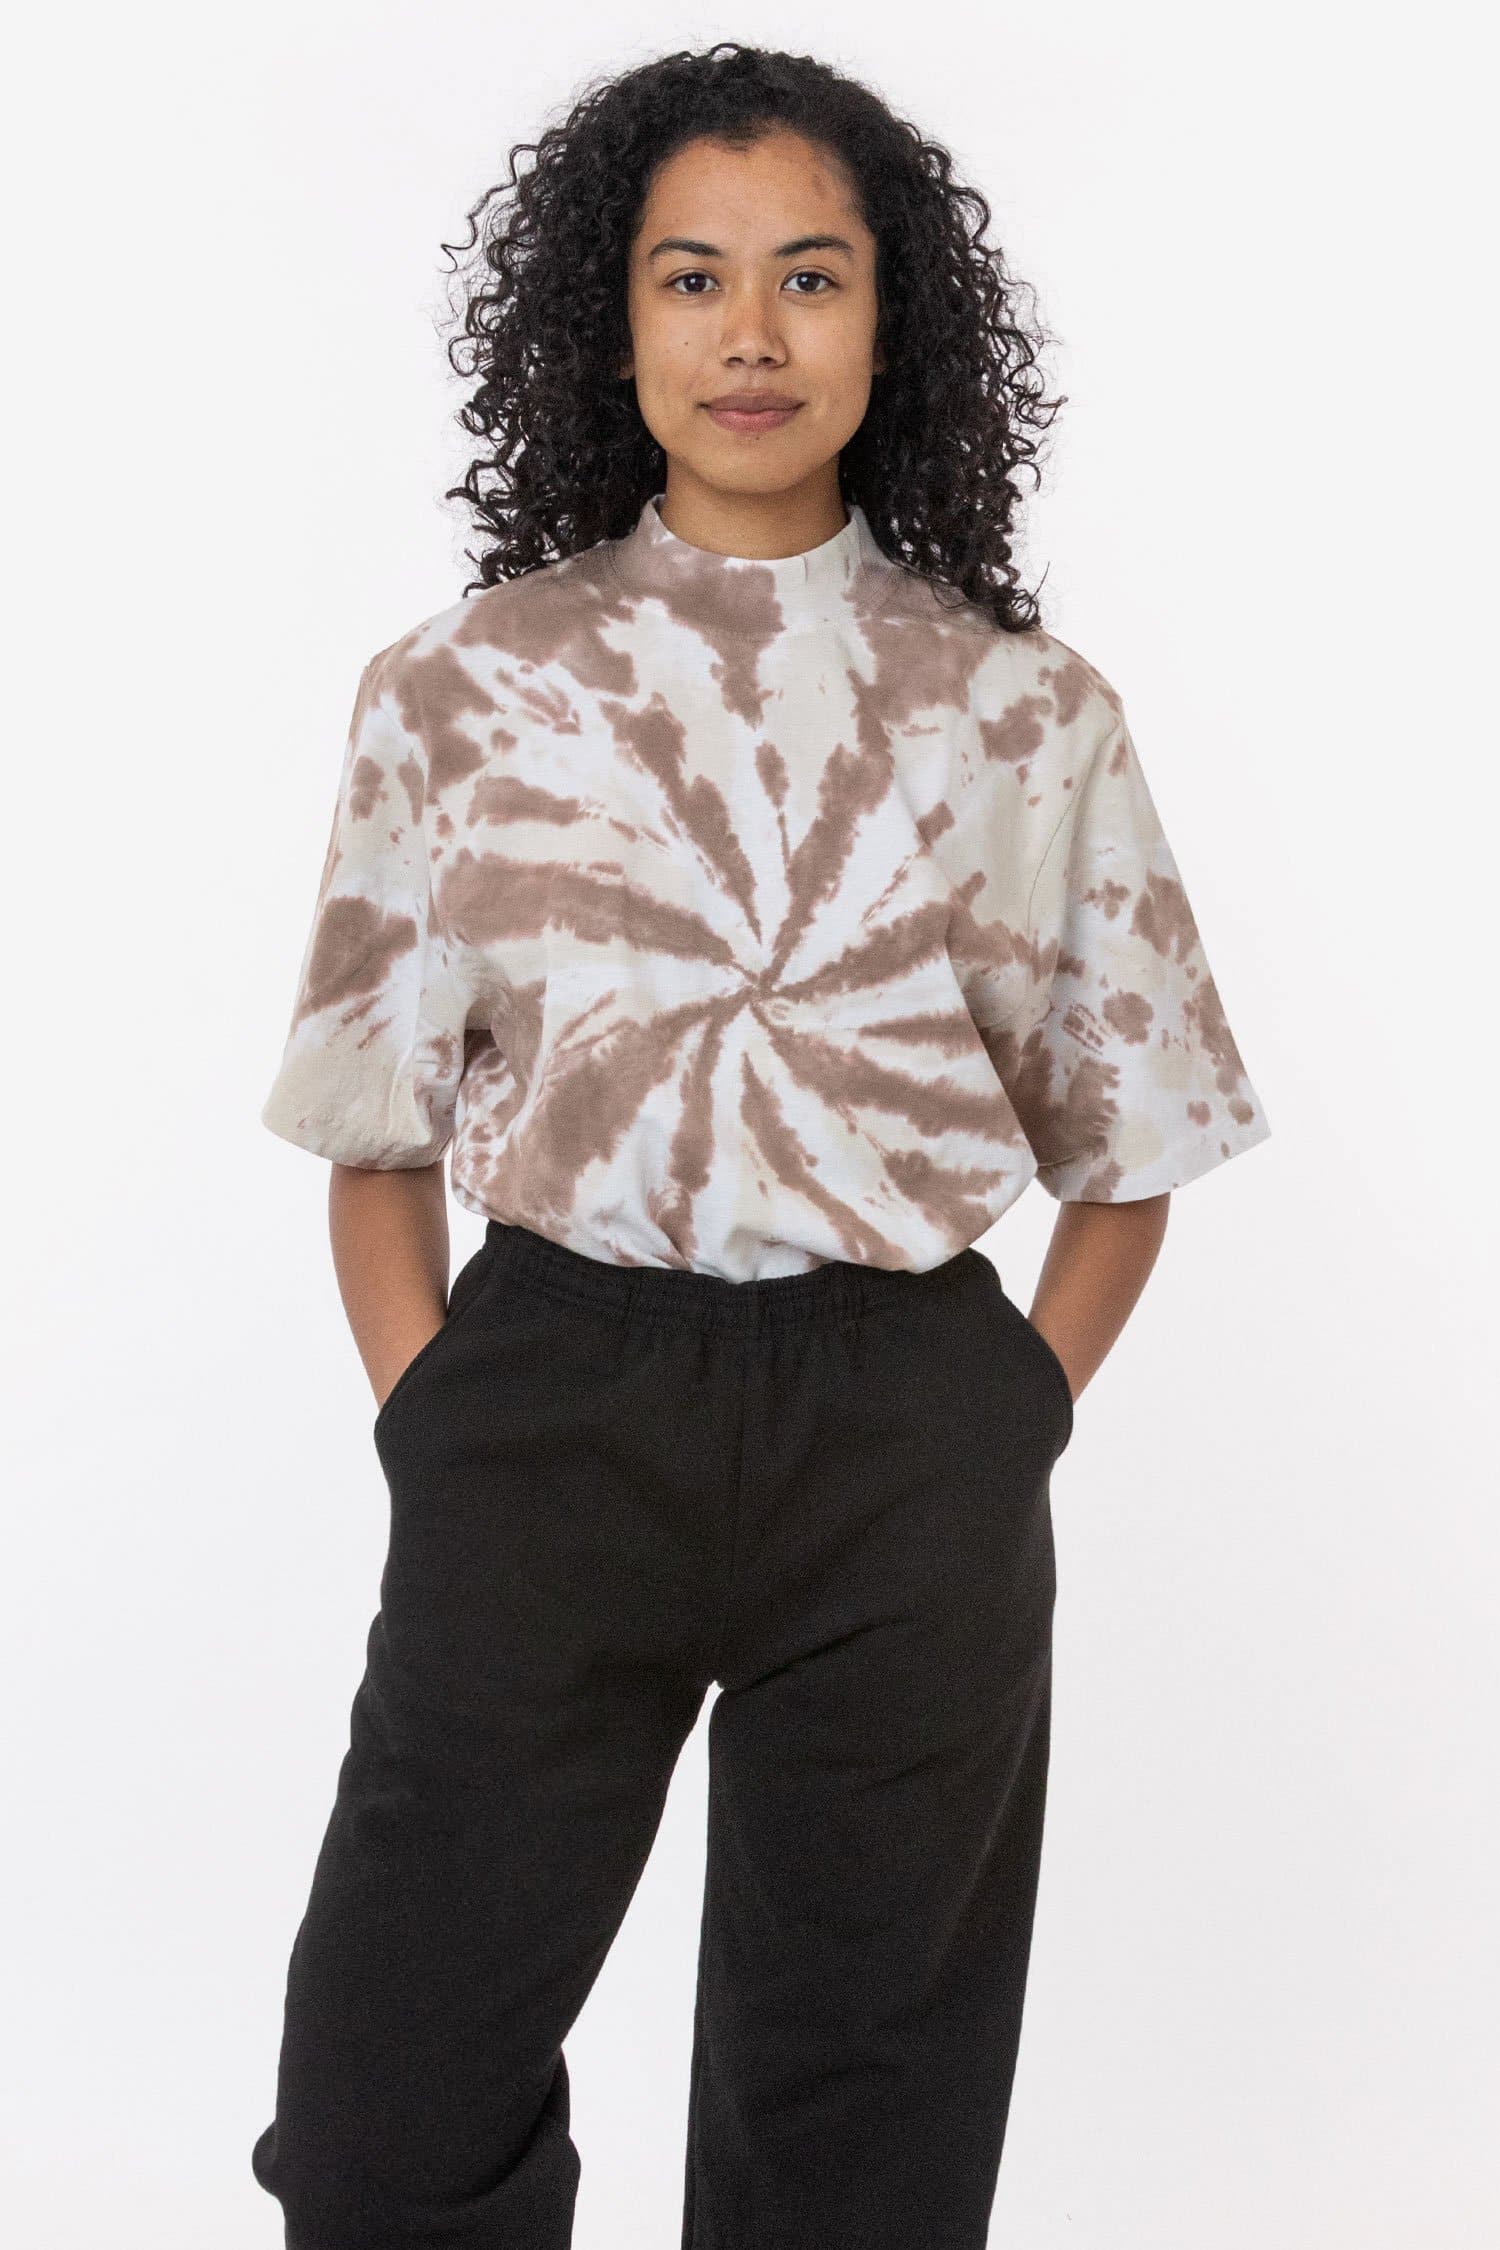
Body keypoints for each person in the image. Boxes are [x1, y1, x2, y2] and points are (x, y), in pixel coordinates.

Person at [248, 40, 1271, 2250]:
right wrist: (436, 1413)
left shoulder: (1023, 707)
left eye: (810, 277)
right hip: (551, 1404)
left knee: (860, 2145)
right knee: (377, 2118)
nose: (750, 334)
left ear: (891, 322)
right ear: (609, 319)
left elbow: (1132, 1139)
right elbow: (370, 1122)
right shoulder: (461, 687)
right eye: (691, 277)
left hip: (903, 1428)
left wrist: (1005, 1411)